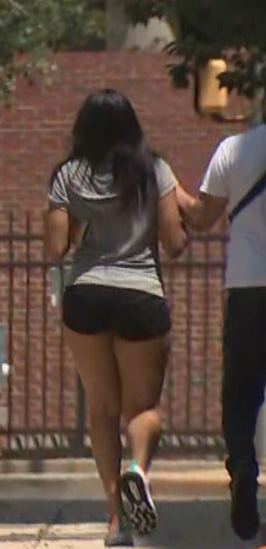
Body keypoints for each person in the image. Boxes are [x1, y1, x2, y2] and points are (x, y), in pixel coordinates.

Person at [44, 89, 188, 546]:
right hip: (139, 295)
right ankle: (136, 471)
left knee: (102, 410)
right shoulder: (153, 171)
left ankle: (114, 518)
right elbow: (175, 242)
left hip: (85, 296)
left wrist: (86, 226)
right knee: (142, 409)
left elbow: (54, 248)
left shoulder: (68, 175)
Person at [175, 121, 266, 540]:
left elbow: (201, 217)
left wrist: (167, 183)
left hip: (248, 288)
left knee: (240, 391)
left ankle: (244, 465)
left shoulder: (234, 149)